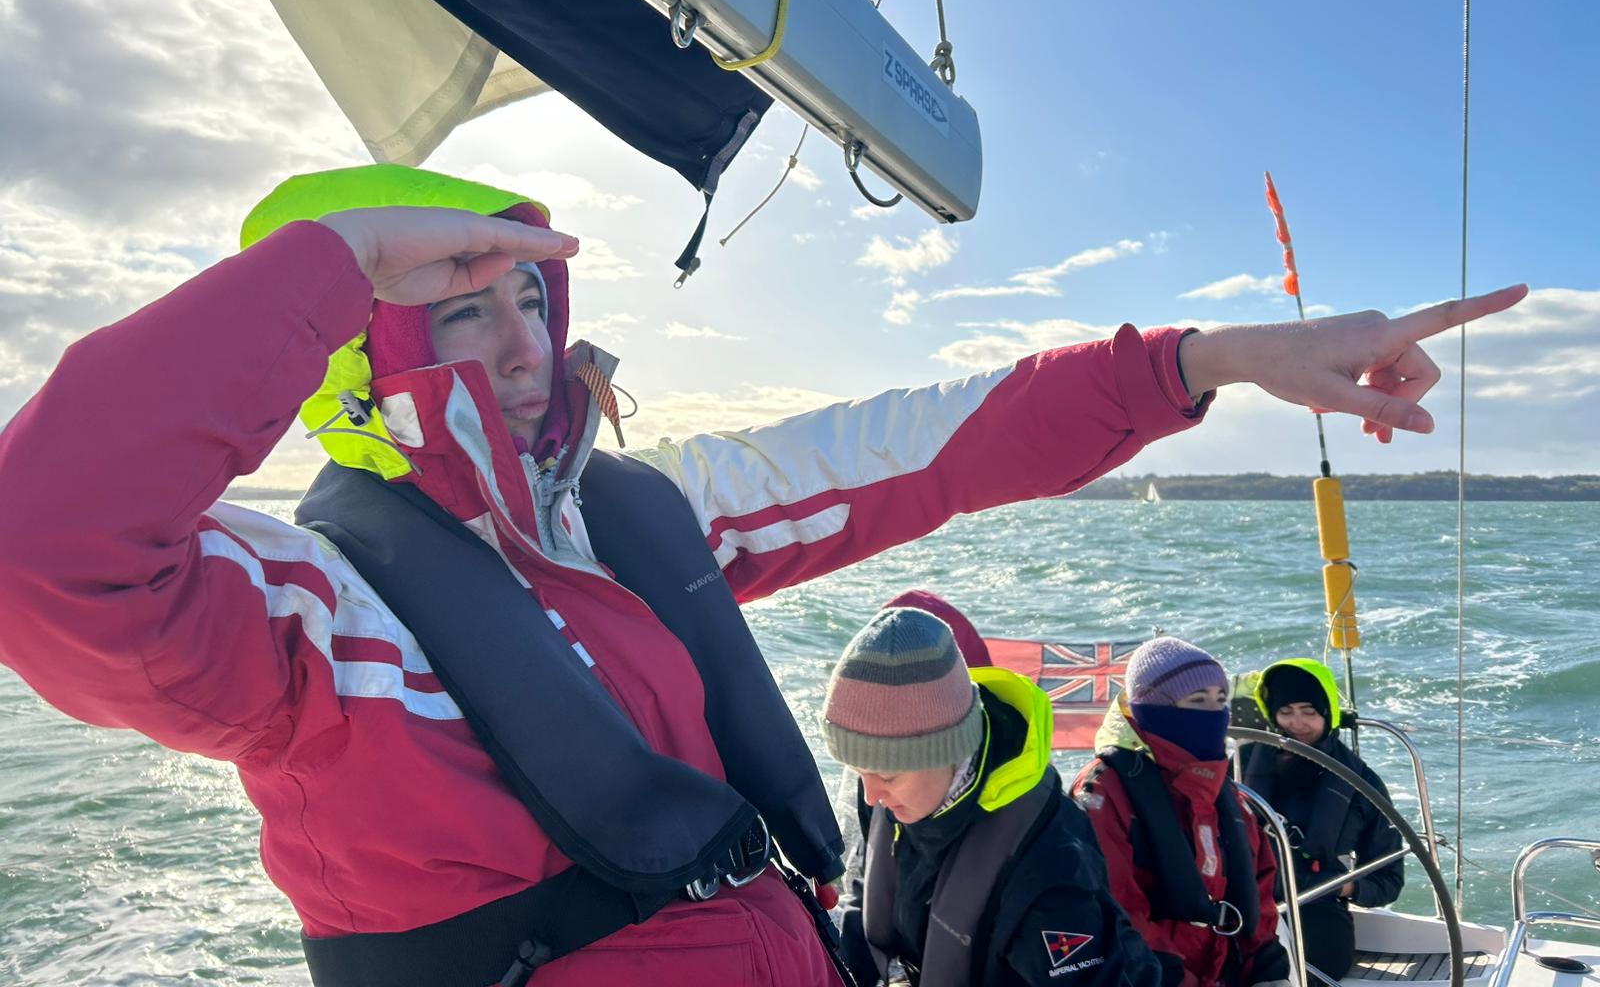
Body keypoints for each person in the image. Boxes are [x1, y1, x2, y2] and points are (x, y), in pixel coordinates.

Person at [0, 162, 1522, 986]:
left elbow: (928, 445)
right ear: (347, 357)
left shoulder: (639, 519)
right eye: (459, 311)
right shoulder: (306, 611)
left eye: (531, 295)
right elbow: (49, 547)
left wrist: (1214, 360)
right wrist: (332, 260)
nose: (526, 337)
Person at [826, 606, 1163, 987]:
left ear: (948, 752)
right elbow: (861, 895)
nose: (870, 796)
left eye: (887, 774)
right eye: (858, 771)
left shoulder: (1049, 864)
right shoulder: (892, 797)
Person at [1071, 638, 1291, 987]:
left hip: (1224, 970)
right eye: (1197, 701)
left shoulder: (1222, 791)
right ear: (1149, 708)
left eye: (1220, 701)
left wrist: (1269, 969)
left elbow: (1259, 887)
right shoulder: (1104, 791)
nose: (1213, 714)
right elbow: (1114, 908)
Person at [1240, 659, 1403, 980]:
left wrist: (1346, 888)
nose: (1297, 723)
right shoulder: (1240, 765)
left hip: (1317, 908)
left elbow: (1389, 878)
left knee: (1309, 971)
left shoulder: (1361, 782)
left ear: (1327, 713)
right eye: (1286, 711)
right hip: (1245, 901)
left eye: (1308, 711)